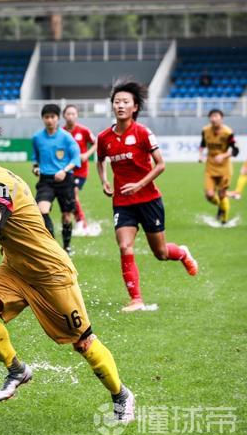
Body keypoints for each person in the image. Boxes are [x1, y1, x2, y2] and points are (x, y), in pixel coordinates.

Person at [0, 116, 135, 423]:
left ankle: (121, 396)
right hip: (16, 268)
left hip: (49, 272)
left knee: (83, 341)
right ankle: (17, 370)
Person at [96, 79, 199, 313]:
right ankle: (136, 299)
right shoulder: (104, 138)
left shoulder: (142, 133)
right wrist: (103, 180)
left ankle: (181, 252)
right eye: (116, 101)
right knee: (125, 246)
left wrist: (139, 184)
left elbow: (161, 164)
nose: (120, 105)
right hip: (123, 202)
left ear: (135, 107)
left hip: (149, 200)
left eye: (125, 102)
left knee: (161, 253)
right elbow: (100, 161)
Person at [31, 104, 81, 255]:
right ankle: (52, 248)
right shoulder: (37, 138)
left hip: (65, 179)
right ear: (43, 119)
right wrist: (35, 168)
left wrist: (64, 170)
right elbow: (35, 159)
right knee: (41, 211)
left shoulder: (66, 137)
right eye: (46, 117)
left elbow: (76, 158)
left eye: (52, 117)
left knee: (66, 216)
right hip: (46, 180)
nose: (49, 120)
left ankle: (67, 247)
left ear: (58, 119)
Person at [199, 109, 239, 224]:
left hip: (224, 168)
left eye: (216, 116)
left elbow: (236, 150)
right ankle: (221, 206)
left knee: (222, 194)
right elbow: (202, 144)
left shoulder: (228, 132)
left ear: (221, 118)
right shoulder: (205, 130)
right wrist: (200, 155)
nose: (213, 118)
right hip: (210, 167)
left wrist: (224, 155)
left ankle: (224, 220)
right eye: (211, 116)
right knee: (209, 195)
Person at [63, 105, 97, 234]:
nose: (71, 116)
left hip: (81, 171)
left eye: (73, 114)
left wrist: (87, 155)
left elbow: (96, 142)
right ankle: (78, 221)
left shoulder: (84, 131)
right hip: (67, 170)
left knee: (73, 194)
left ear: (77, 115)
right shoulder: (61, 132)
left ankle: (81, 223)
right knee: (69, 196)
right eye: (68, 114)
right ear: (64, 116)